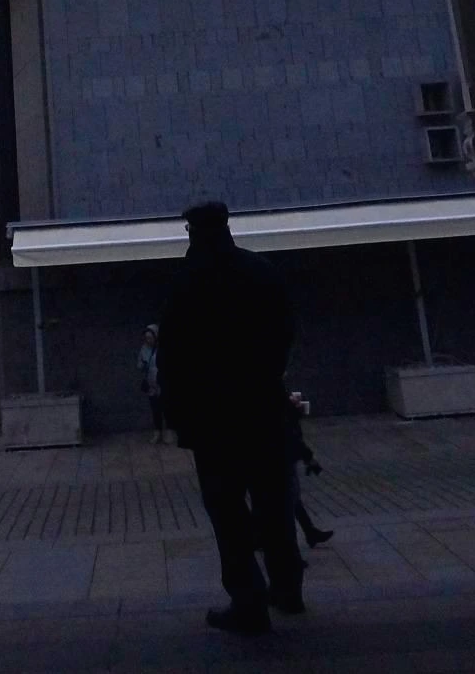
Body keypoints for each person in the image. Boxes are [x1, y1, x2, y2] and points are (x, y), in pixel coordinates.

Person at [157, 199, 302, 638]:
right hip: (264, 406)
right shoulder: (261, 271)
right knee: (275, 502)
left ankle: (248, 600)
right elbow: (286, 330)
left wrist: (178, 412)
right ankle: (288, 586)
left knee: (227, 510)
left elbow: (173, 354)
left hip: (213, 417)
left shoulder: (187, 281)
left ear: (194, 232)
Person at [286, 389, 333, 549]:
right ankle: (307, 533)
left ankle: (309, 531)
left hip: (283, 456)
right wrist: (308, 458)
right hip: (283, 458)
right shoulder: (283, 410)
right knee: (290, 498)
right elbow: (291, 436)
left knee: (292, 498)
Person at [137, 324, 166, 442]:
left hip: (163, 383)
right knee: (155, 409)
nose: (148, 340)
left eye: (150, 338)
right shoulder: (144, 349)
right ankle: (157, 432)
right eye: (146, 338)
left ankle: (168, 432)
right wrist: (142, 365)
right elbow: (139, 365)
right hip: (151, 383)